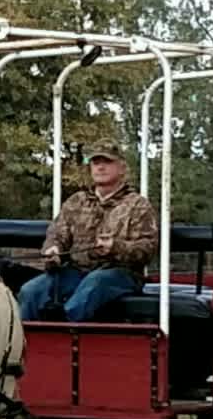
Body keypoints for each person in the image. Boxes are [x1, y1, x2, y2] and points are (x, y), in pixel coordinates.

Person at [18, 138, 158, 322]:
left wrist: (115, 247)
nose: (100, 167)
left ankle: (62, 332)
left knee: (95, 282)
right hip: (76, 272)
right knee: (31, 290)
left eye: (107, 162)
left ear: (122, 167)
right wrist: (53, 250)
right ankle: (25, 342)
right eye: (95, 162)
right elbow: (57, 234)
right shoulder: (76, 201)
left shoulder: (137, 205)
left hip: (121, 275)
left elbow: (147, 248)